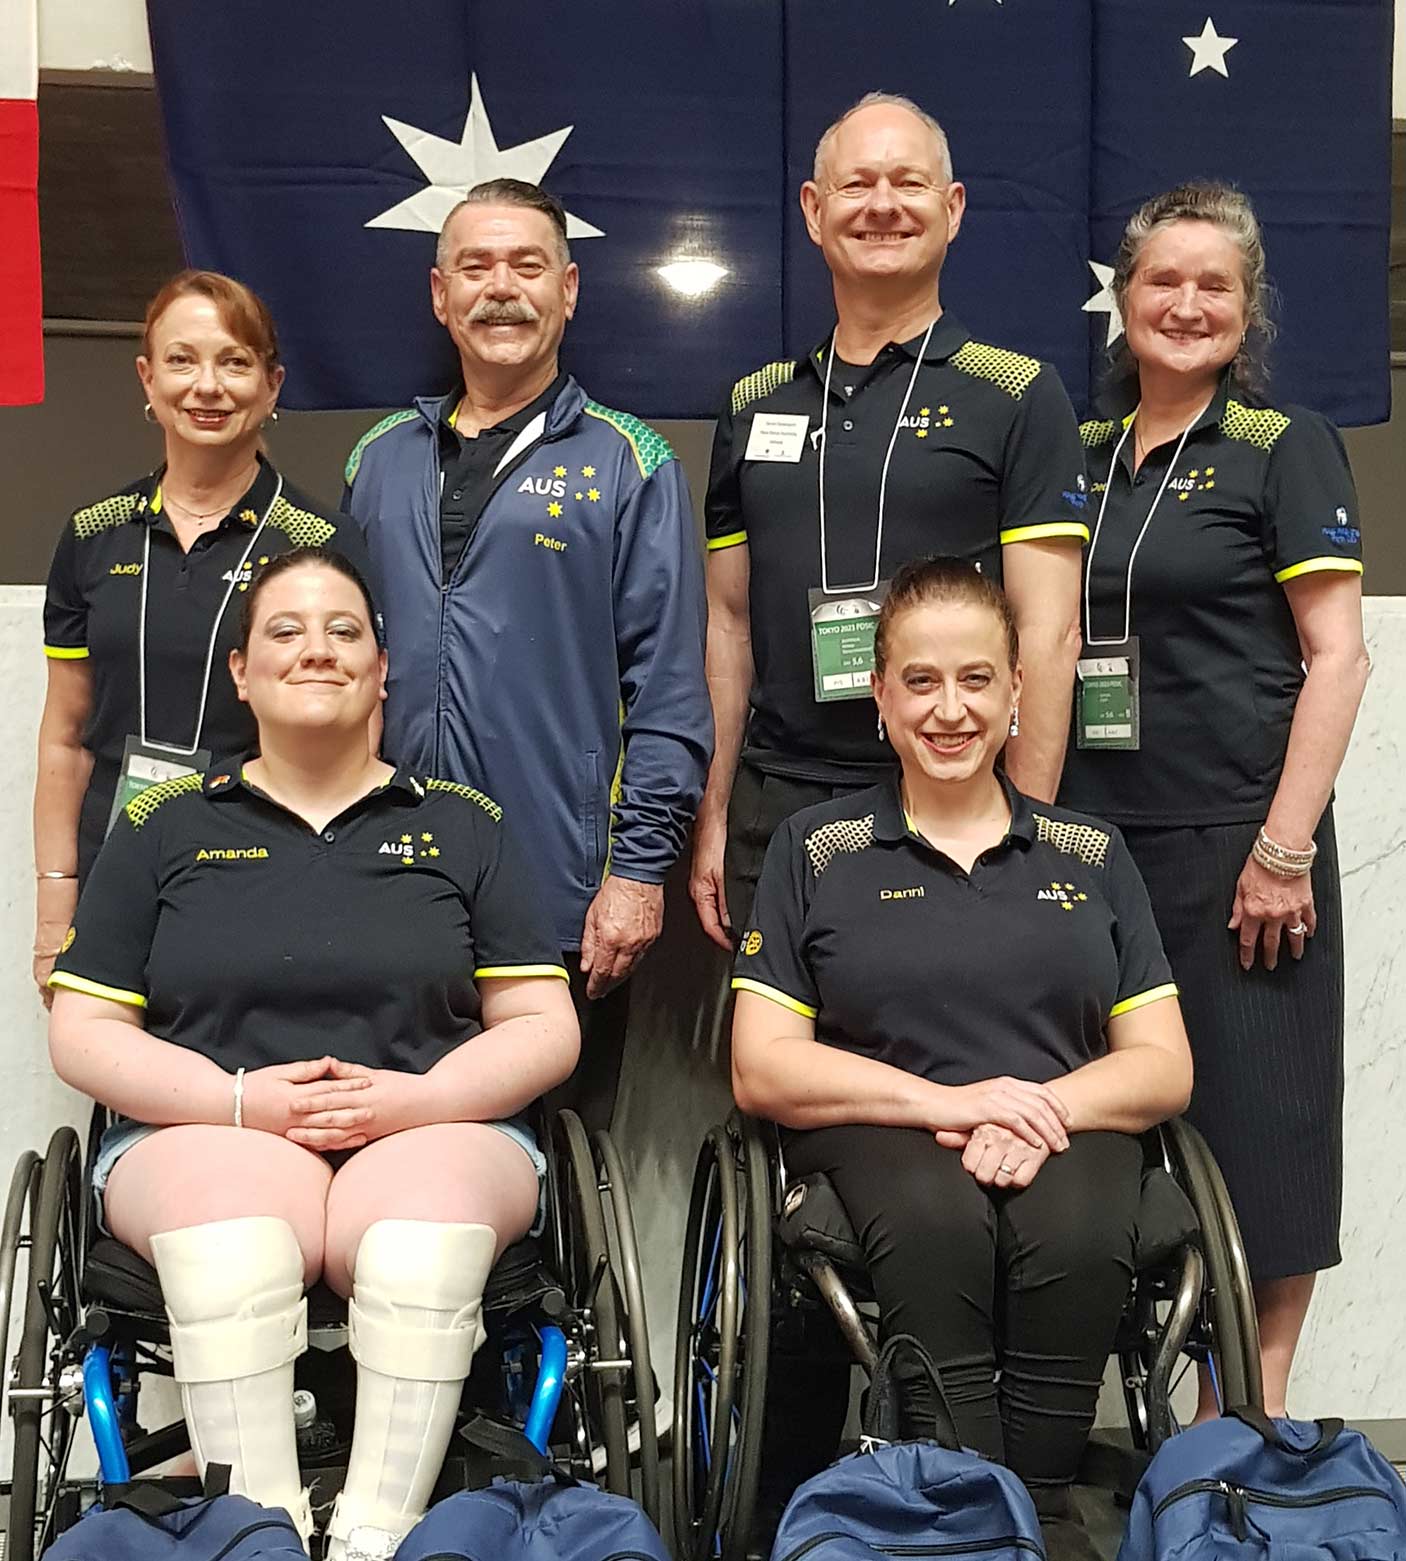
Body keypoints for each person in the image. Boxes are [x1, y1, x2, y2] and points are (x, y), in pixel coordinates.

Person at [48, 548, 580, 1560]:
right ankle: (260, 1536)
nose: (318, 651)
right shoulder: (163, 826)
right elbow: (81, 1030)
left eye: (345, 631)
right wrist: (236, 1100)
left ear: (382, 667)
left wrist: (412, 1104)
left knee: (419, 1256)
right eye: (285, 631)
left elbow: (545, 1027)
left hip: (433, 1126)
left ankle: (379, 1539)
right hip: (208, 1129)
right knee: (237, 1250)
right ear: (241, 671)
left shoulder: (463, 825)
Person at [731, 557, 1191, 1558]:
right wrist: (944, 1100)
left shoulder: (1088, 851)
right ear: (880, 694)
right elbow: (761, 1067)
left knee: (1074, 1223)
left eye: (976, 679)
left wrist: (1036, 1109)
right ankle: (958, 1513)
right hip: (876, 1130)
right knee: (934, 1216)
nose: (949, 708)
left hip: (1065, 1128)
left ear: (1017, 689)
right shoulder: (816, 849)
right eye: (922, 680)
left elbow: (1160, 1066)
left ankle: (1037, 1509)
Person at [1058, 182, 1370, 1419]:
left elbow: (1336, 657)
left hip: (1242, 848)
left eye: (1213, 287)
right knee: (1106, 1129)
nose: (1184, 305)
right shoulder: (1078, 455)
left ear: (1247, 313)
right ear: (1122, 301)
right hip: (1091, 847)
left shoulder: (1281, 444)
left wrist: (1282, 847)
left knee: (1263, 1136)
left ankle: (1244, 1414)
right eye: (1160, 282)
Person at [344, 177, 709, 1133]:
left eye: (527, 264)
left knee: (554, 1180)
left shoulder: (631, 462)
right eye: (475, 265)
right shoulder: (376, 458)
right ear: (439, 295)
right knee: (395, 1166)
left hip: (559, 902)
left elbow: (671, 693)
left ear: (570, 288)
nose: (500, 288)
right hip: (384, 889)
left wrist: (636, 876)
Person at [691, 93, 1090, 950]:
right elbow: (727, 623)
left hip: (953, 804)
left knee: (948, 1073)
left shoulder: (1018, 395)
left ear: (952, 211)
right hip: (777, 807)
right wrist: (716, 812)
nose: (882, 205)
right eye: (857, 184)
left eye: (909, 183)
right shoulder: (753, 403)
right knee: (776, 1076)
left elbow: (1050, 635)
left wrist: (1030, 835)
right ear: (813, 210)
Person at [35, 270, 374, 1006]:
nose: (207, 386)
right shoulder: (94, 535)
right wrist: (54, 908)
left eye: (235, 361)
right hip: (116, 865)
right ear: (147, 379)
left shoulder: (320, 544)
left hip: (265, 866)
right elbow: (65, 737)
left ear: (273, 384)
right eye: (182, 360)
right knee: (121, 1084)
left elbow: (359, 735)